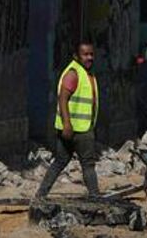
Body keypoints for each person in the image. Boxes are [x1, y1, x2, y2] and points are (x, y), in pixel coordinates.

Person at [36, 42, 101, 199]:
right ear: (76, 56)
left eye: (91, 54)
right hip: (77, 129)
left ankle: (41, 194)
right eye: (85, 54)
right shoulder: (74, 73)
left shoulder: (86, 73)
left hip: (79, 127)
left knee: (61, 161)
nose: (89, 57)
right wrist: (67, 124)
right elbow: (62, 99)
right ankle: (94, 196)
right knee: (88, 163)